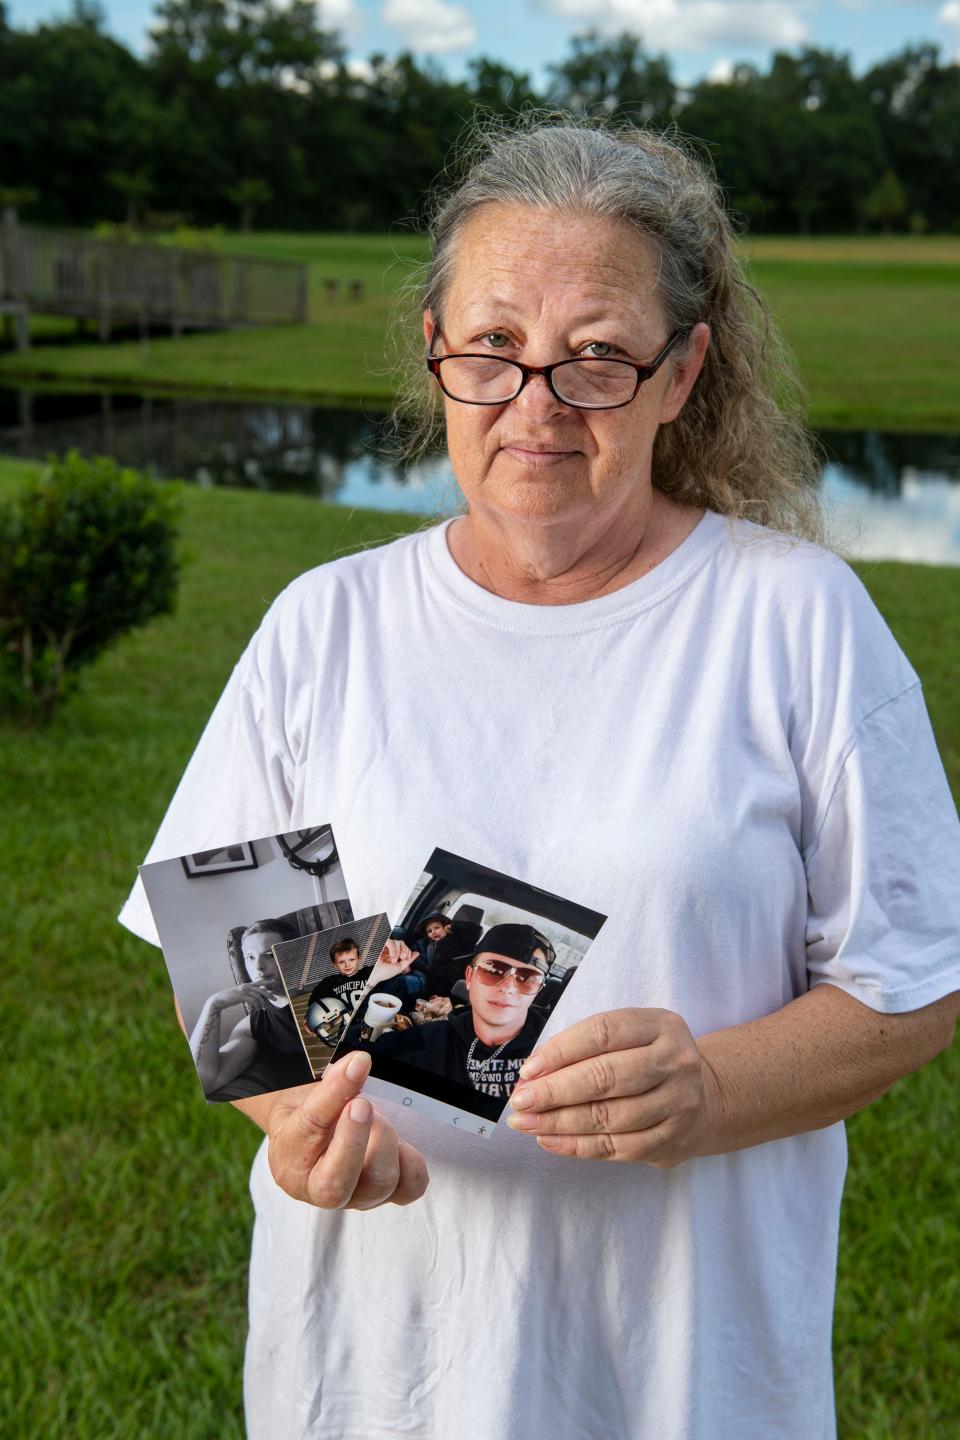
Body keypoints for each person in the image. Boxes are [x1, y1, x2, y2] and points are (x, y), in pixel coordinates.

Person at [119, 116, 960, 1440]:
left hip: (685, 1376)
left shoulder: (796, 621)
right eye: (495, 351)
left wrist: (714, 1090)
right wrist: (299, 1119)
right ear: (437, 357)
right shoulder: (323, 625)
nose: (538, 409)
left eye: (597, 360)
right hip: (377, 1371)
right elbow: (233, 974)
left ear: (681, 374)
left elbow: (908, 985)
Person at [363, 923, 551, 1107]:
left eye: (527, 979)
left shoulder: (550, 1062)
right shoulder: (428, 1038)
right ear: (469, 977)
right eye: (493, 970)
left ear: (538, 991)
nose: (508, 988)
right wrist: (368, 979)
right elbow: (354, 1062)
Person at [189, 916, 312, 1100]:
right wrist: (214, 1004)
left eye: (269, 955)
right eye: (250, 957)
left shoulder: (332, 995)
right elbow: (205, 1080)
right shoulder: (252, 1027)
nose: (258, 967)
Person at [303, 938, 374, 1036]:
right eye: (341, 962)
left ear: (359, 958)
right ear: (334, 965)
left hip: (373, 1018)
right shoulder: (330, 982)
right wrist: (308, 1019)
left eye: (352, 960)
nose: (347, 965)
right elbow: (315, 1002)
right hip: (349, 1025)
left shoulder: (368, 973)